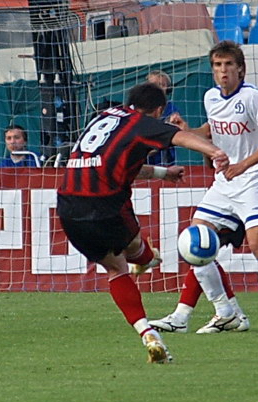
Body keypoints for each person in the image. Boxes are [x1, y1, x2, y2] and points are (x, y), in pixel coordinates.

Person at [56, 81, 230, 363]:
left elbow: (122, 165)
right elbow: (180, 137)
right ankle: (147, 259)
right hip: (104, 203)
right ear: (158, 109)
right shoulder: (142, 124)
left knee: (115, 269)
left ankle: (148, 333)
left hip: (67, 204)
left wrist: (164, 173)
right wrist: (215, 153)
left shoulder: (105, 117)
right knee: (135, 248)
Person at [151, 41, 258, 336]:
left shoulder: (252, 97)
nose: (222, 71)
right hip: (223, 183)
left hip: (251, 180)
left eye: (228, 65)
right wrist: (186, 130)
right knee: (193, 241)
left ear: (240, 69)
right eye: (217, 65)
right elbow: (212, 131)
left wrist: (244, 165)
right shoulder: (211, 97)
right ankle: (224, 311)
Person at [145, 70, 180, 166]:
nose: (157, 88)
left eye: (162, 85)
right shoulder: (138, 108)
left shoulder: (171, 108)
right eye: (154, 84)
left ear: (167, 88)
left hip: (165, 161)